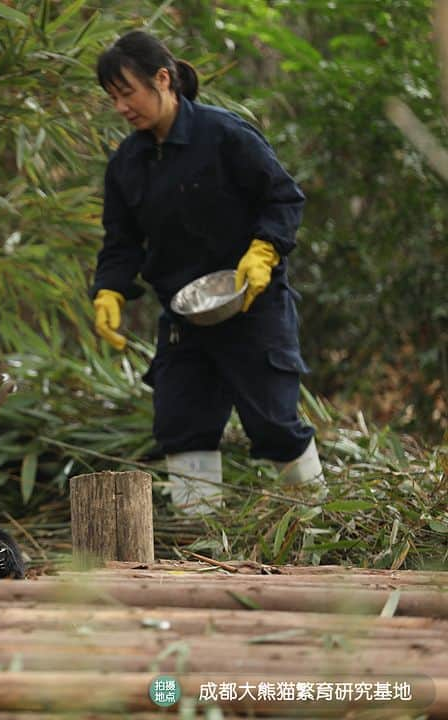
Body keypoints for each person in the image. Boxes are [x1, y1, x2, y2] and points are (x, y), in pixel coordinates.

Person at [91, 30, 325, 514]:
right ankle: (204, 541)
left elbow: (283, 198)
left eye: (127, 93)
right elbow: (121, 241)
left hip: (253, 304)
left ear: (163, 79)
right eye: (113, 98)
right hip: (183, 317)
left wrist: (264, 251)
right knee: (182, 421)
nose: (121, 107)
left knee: (275, 423)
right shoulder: (127, 164)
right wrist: (108, 292)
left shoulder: (225, 136)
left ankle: (319, 523)